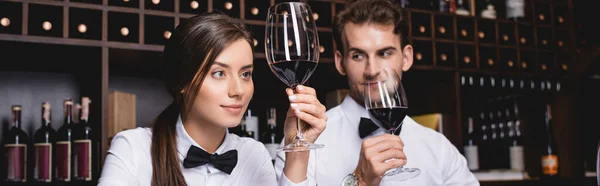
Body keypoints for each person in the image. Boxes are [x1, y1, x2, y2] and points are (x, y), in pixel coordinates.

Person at [97, 12, 326, 186]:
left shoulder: (253, 155)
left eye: (245, 74)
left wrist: (298, 148)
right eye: (219, 73)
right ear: (183, 81)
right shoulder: (133, 149)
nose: (238, 90)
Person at [274, 0, 479, 185]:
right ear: (340, 62)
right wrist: (359, 181)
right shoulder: (303, 143)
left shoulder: (439, 148)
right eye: (358, 56)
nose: (372, 70)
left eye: (384, 53)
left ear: (406, 58)